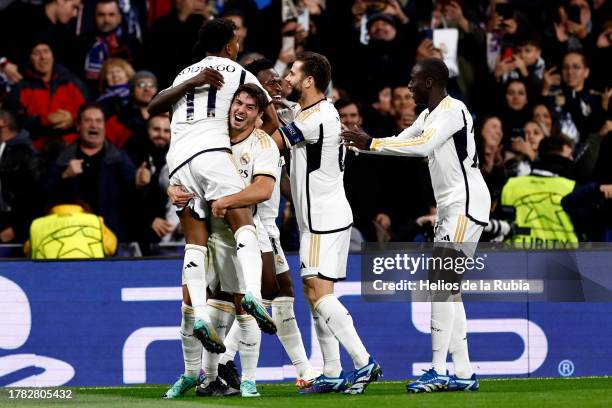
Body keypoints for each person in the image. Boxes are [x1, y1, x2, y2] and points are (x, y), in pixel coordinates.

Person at [342, 58, 490, 393]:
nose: (408, 87)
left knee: (441, 283)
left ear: (431, 81)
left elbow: (421, 146)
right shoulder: (427, 116)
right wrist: (361, 144)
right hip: (454, 207)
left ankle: (438, 371)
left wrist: (372, 143)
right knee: (449, 289)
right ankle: (464, 373)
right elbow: (401, 143)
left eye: (413, 80)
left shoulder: (454, 110)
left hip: (466, 204)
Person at [147, 17, 280, 380]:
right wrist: (248, 146)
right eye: (236, 41)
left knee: (194, 242)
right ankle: (251, 293)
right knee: (242, 221)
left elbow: (153, 106)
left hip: (177, 163)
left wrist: (190, 83)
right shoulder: (238, 72)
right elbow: (270, 118)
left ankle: (202, 319)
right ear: (229, 46)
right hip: (212, 155)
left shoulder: (184, 73)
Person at [263, 52, 381, 395]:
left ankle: (363, 362)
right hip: (322, 217)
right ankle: (331, 371)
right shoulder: (309, 111)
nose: (286, 78)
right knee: (315, 295)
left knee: (318, 292)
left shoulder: (319, 118)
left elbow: (274, 143)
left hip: (322, 219)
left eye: (292, 72)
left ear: (309, 81)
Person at [46, 103, 148, 241]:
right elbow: (44, 197)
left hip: (110, 236)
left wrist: (139, 184)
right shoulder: (63, 159)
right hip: (72, 236)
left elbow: (133, 202)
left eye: (99, 121)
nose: (94, 125)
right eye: (88, 121)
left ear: (104, 127)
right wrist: (65, 177)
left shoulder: (119, 158)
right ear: (78, 126)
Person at [5, 42, 88, 160]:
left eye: (46, 51)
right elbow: (13, 123)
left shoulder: (71, 81)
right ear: (30, 59)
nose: (43, 57)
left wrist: (73, 119)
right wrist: (44, 120)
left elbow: (90, 112)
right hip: (36, 150)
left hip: (73, 144)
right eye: (36, 53)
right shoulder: (21, 87)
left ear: (52, 55)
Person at [0, 109, 45, 243]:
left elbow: (38, 196)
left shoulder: (27, 155)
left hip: (11, 236)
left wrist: (17, 228)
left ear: (2, 122)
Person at [24, 203, 117, 259]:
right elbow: (111, 248)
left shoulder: (37, 224)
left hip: (49, 279)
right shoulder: (95, 220)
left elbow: (27, 250)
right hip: (90, 276)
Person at [82, 0, 142, 83]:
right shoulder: (83, 43)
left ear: (119, 17)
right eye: (101, 15)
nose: (106, 20)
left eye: (111, 14)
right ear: (94, 17)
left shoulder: (132, 44)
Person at [105, 70, 158, 147]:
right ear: (132, 90)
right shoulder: (118, 119)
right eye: (141, 85)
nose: (147, 89)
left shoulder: (166, 117)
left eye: (151, 85)